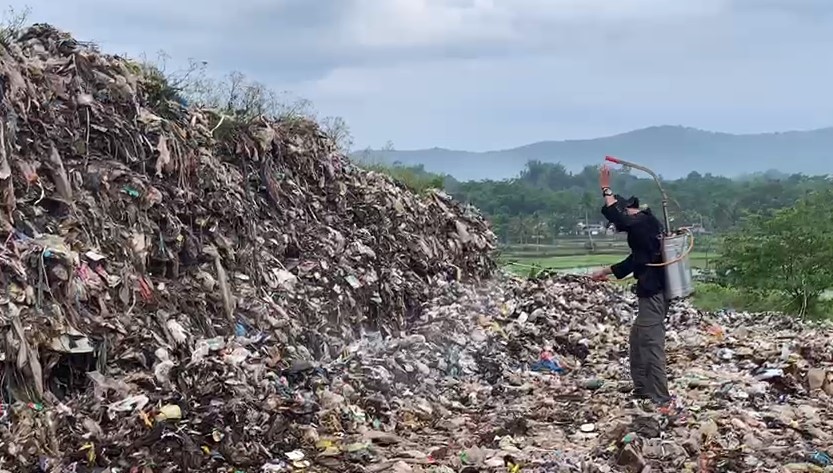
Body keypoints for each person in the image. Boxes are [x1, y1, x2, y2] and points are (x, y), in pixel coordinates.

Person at [590, 165, 672, 410]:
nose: (619, 226)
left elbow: (620, 218)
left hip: (654, 294)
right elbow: (635, 260)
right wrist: (605, 273)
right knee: (637, 340)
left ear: (630, 210)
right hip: (650, 291)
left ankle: (661, 400)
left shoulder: (643, 223)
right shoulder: (642, 230)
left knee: (650, 344)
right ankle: (642, 389)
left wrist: (606, 189)